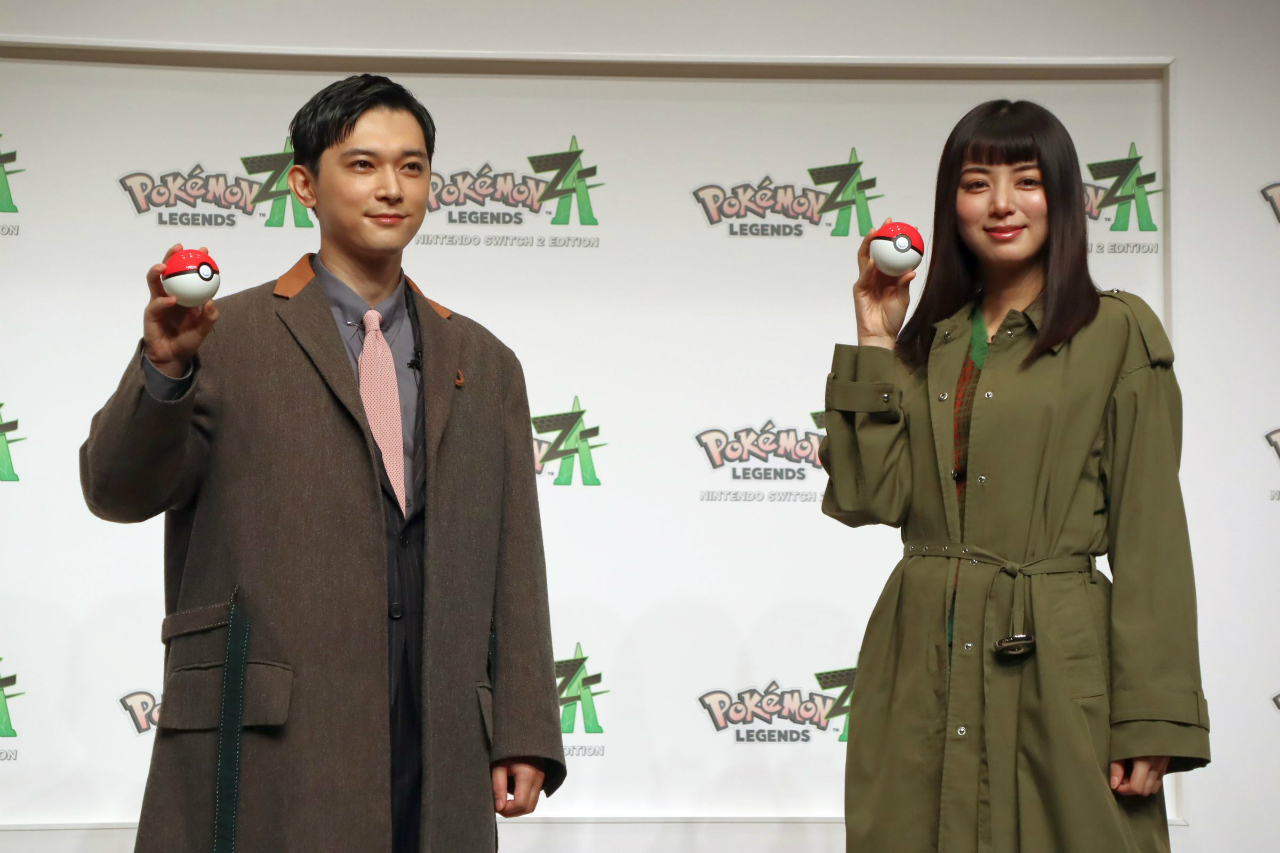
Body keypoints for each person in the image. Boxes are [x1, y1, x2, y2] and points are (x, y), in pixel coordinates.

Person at [80, 74, 565, 853]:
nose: (392, 187)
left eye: (412, 166)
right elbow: (115, 490)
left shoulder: (484, 361)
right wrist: (164, 369)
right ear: (305, 184)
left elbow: (516, 559)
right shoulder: (224, 335)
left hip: (437, 742)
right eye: (363, 164)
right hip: (272, 744)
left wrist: (525, 725)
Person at [819, 100, 1209, 852]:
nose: (1002, 203)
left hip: (1059, 663)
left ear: (1061, 196)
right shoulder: (924, 344)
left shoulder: (1117, 333)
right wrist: (875, 335)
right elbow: (869, 498)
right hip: (922, 660)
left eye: (1026, 181)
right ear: (952, 204)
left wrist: (1154, 717)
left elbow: (1152, 533)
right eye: (977, 184)